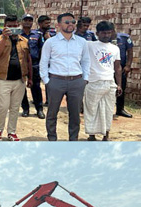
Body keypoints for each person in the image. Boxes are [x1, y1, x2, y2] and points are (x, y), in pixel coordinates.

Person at [40, 12, 90, 141]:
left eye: (73, 22)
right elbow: (44, 62)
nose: (70, 25)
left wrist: (84, 79)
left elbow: (85, 61)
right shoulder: (51, 42)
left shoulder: (82, 42)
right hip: (56, 81)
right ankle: (52, 139)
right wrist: (47, 80)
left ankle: (73, 140)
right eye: (67, 22)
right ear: (58, 25)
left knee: (75, 114)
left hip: (76, 81)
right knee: (52, 112)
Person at [0, 14, 32, 141]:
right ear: (5, 26)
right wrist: (5, 37)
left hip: (19, 80)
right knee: (3, 107)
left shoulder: (24, 41)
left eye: (15, 26)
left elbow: (28, 60)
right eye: (10, 26)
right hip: (2, 79)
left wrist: (30, 77)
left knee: (15, 108)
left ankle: (11, 132)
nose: (13, 28)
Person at [82, 21, 122, 141]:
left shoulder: (115, 48)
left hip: (109, 82)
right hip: (93, 82)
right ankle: (92, 135)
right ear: (97, 33)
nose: (106, 35)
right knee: (91, 109)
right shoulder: (89, 45)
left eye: (109, 33)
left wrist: (119, 84)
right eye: (104, 33)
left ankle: (106, 135)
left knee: (108, 110)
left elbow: (117, 67)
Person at [20, 14, 45, 119]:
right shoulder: (17, 35)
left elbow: (41, 50)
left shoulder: (38, 35)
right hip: (21, 63)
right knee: (21, 88)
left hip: (34, 64)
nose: (28, 22)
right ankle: (25, 109)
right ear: (21, 22)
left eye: (30, 20)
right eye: (25, 20)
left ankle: (39, 109)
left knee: (36, 87)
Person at [112, 26, 134, 118]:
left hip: (121, 67)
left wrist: (128, 65)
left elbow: (130, 51)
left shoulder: (125, 38)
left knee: (121, 88)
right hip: (107, 68)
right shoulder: (103, 39)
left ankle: (120, 109)